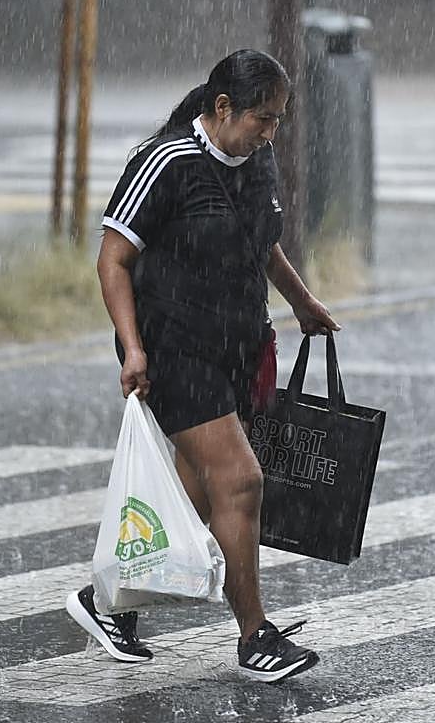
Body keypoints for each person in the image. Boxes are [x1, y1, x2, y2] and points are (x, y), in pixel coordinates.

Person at [66, 49, 339, 684]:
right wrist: (133, 347)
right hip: (170, 345)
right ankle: (254, 636)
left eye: (278, 119)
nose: (271, 132)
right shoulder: (166, 163)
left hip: (234, 344)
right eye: (262, 119)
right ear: (223, 108)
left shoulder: (257, 160)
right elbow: (113, 260)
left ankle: (106, 600)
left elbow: (261, 242)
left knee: (194, 492)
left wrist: (302, 303)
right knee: (240, 481)